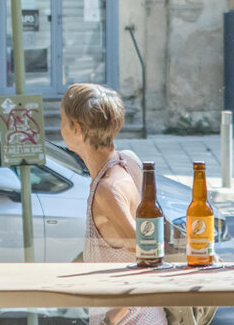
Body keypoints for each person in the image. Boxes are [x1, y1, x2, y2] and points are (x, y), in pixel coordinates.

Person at [58, 84, 167, 325]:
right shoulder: (126, 161)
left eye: (62, 120)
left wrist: (113, 316)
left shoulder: (108, 190)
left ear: (77, 129)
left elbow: (147, 256)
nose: (60, 127)